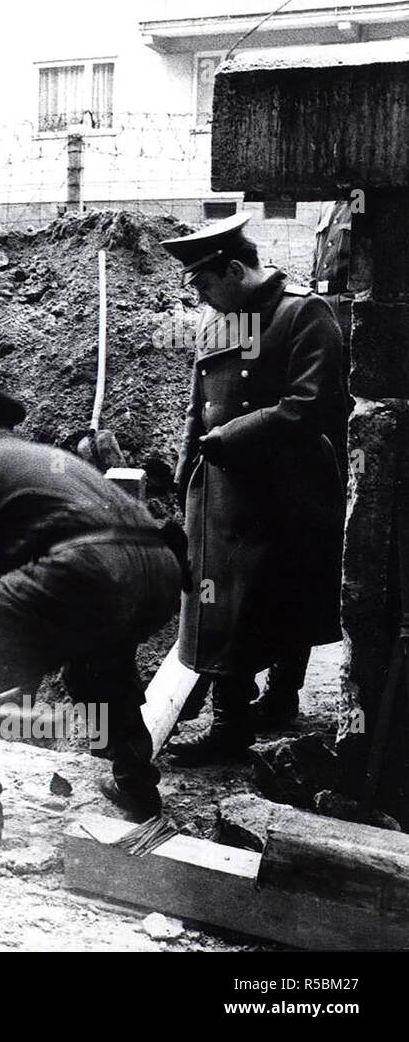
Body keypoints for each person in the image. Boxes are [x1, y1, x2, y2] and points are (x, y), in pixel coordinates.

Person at [0, 379, 184, 842]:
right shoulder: (47, 461)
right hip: (159, 570)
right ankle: (137, 789)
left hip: (92, 569)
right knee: (97, 658)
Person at [162, 212, 346, 763]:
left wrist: (234, 435)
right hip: (221, 486)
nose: (200, 296)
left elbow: (311, 405)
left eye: (203, 283)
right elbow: (200, 401)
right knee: (220, 603)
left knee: (276, 596)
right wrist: (185, 464)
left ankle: (259, 711)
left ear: (236, 269)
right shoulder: (216, 322)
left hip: (285, 488)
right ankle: (235, 718)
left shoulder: (305, 314)